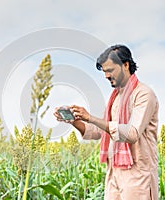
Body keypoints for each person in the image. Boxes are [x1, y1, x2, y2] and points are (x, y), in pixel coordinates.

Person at [54, 44, 159, 200]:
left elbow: (132, 133)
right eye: (104, 72)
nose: (106, 76)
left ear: (125, 65)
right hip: (114, 173)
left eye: (110, 70)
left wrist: (91, 117)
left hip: (137, 175)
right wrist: (74, 121)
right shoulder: (115, 98)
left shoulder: (143, 94)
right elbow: (100, 131)